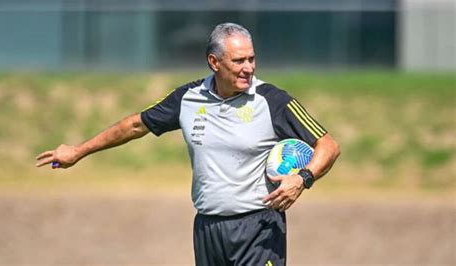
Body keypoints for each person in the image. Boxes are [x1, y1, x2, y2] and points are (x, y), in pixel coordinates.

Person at [36, 22, 340, 265]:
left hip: (259, 229)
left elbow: (328, 145)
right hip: (208, 229)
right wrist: (78, 151)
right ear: (214, 62)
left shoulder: (272, 100)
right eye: (239, 61)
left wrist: (303, 178)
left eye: (252, 58)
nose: (249, 67)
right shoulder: (188, 98)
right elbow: (135, 125)